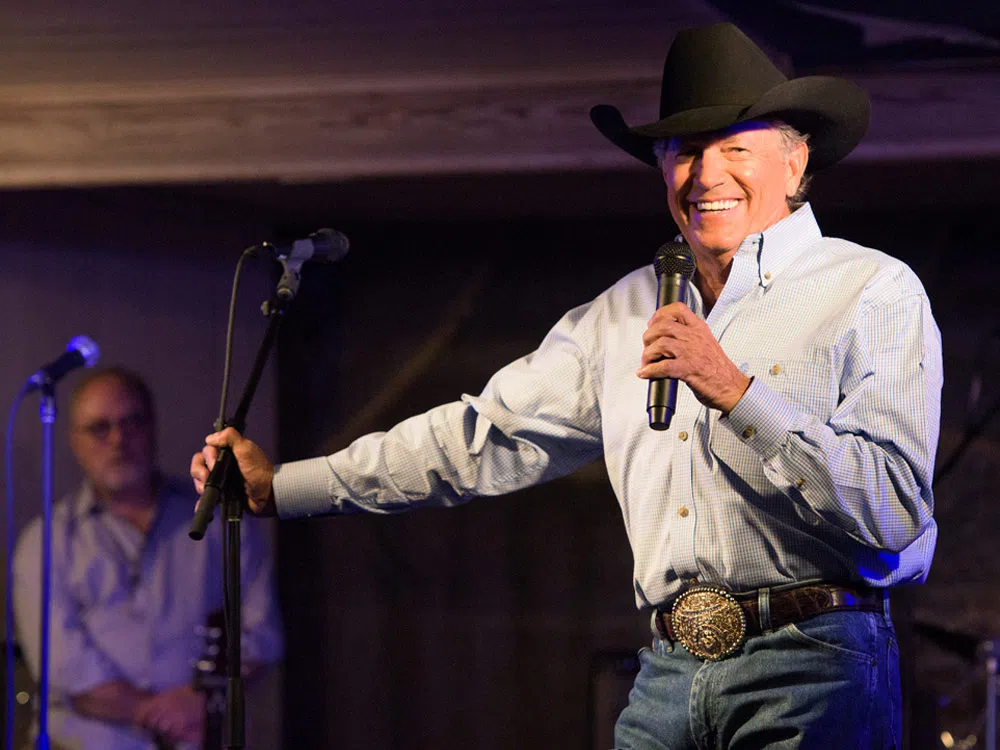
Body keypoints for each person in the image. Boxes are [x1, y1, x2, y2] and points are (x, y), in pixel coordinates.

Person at [191, 22, 942, 749]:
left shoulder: (870, 290)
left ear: (795, 162)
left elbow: (897, 511)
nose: (706, 174)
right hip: (670, 670)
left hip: (815, 663)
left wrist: (740, 394)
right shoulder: (625, 311)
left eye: (734, 148)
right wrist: (283, 487)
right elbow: (479, 439)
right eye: (684, 151)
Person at [14, 367, 284, 750]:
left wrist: (197, 701)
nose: (119, 440)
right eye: (100, 428)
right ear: (75, 442)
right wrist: (153, 711)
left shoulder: (222, 520)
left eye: (132, 422)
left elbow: (262, 633)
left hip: (201, 737)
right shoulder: (45, 541)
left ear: (153, 426)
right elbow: (62, 665)